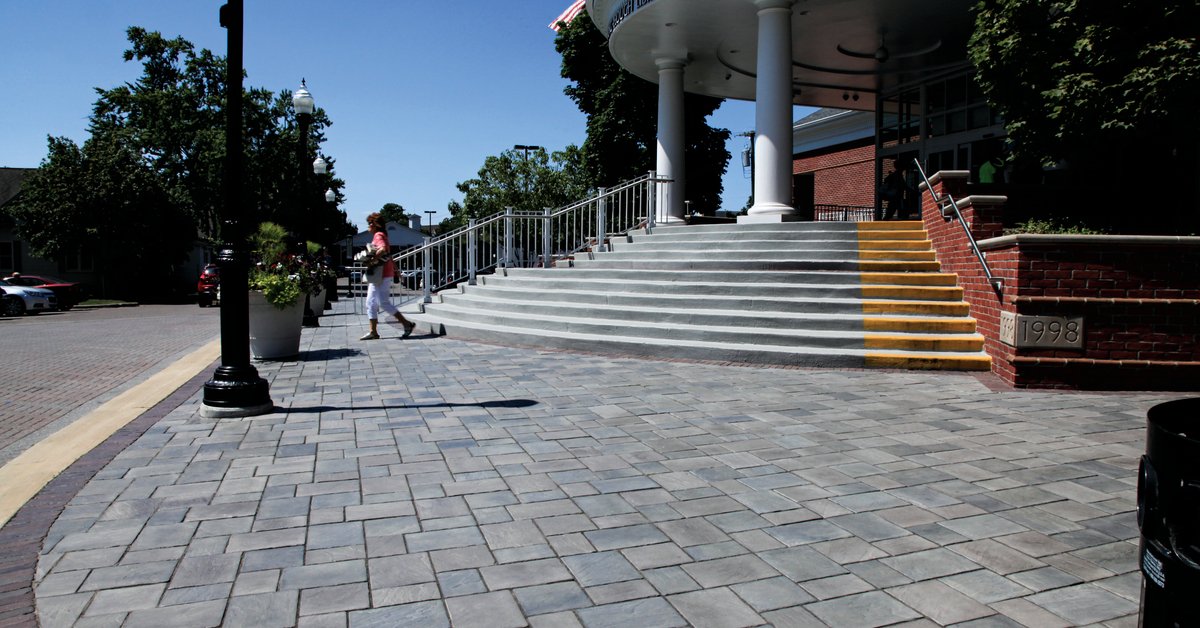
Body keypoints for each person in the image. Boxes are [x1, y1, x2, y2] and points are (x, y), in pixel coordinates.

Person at [360, 212, 416, 341]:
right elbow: (388, 254)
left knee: (377, 302)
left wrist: (372, 260)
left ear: (375, 225)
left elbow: (383, 249)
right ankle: (375, 331)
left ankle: (404, 325)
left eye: (369, 223)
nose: (368, 226)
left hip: (381, 274)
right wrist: (396, 270)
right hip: (384, 273)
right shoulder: (382, 235)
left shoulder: (378, 235)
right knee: (376, 302)